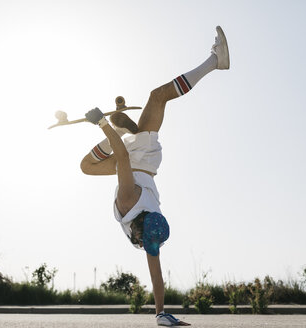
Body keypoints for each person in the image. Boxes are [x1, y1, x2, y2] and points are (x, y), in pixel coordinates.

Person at [80, 26, 230, 326]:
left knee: (87, 166)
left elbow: (156, 276)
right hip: (140, 159)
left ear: (143, 235)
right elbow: (122, 157)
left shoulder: (145, 227)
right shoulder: (134, 210)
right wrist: (100, 125)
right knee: (157, 97)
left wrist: (162, 314)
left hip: (137, 162)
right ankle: (216, 62)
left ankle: (121, 126)